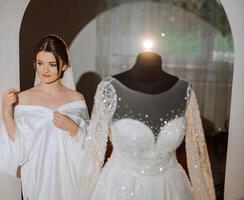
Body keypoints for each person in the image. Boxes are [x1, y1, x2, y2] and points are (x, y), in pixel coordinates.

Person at [75, 51, 215, 200]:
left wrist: (204, 195)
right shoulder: (109, 89)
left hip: (170, 188)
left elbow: (197, 153)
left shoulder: (185, 90)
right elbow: (94, 151)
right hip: (119, 188)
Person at [0, 34, 89, 200]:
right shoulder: (23, 98)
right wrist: (6, 111)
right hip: (39, 181)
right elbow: (19, 148)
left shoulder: (77, 99)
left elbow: (91, 148)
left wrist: (73, 128)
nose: (45, 70)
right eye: (40, 63)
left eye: (52, 64)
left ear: (64, 66)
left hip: (71, 181)